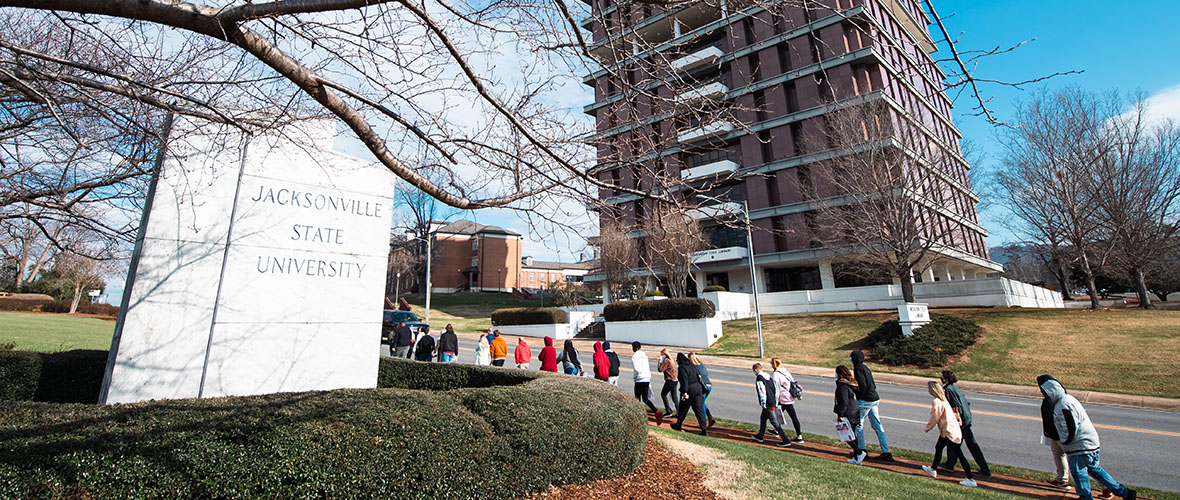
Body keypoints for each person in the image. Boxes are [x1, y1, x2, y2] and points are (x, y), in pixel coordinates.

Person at [1040, 375, 1137, 500]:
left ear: (1049, 392)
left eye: (1044, 393)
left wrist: (1065, 442)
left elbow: (1070, 428)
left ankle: (1085, 497)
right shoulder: (1069, 399)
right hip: (1091, 442)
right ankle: (1125, 493)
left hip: (1080, 445)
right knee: (1095, 470)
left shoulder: (1062, 405)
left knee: (1079, 474)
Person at [922, 381, 977, 487]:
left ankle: (970, 479)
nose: (928, 390)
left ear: (933, 390)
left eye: (929, 388)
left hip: (949, 432)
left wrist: (927, 428)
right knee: (938, 447)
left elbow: (935, 416)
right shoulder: (944, 399)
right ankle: (933, 469)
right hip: (949, 430)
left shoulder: (937, 401)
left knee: (959, 454)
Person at [940, 370, 990, 476]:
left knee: (953, 441)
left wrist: (956, 423)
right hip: (967, 419)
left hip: (962, 421)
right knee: (971, 444)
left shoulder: (949, 390)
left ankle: (950, 465)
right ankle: (985, 469)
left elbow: (955, 407)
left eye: (942, 378)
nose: (941, 380)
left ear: (946, 379)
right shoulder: (955, 388)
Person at [850, 350, 893, 461]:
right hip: (874, 398)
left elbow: (862, 385)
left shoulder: (858, 369)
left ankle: (861, 450)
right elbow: (872, 384)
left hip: (865, 400)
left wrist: (857, 393)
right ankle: (886, 451)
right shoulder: (866, 368)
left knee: (858, 424)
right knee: (877, 425)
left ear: (854, 359)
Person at [1038, 374, 1073, 491]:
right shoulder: (1048, 399)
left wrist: (1065, 437)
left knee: (1082, 462)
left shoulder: (1061, 401)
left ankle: (1106, 487)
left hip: (1063, 436)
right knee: (1058, 456)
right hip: (1053, 435)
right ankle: (1062, 480)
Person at [750, 363, 790, 447]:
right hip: (772, 401)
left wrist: (763, 402)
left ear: (756, 370)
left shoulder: (760, 378)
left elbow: (762, 391)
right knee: (763, 418)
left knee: (774, 422)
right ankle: (760, 435)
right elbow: (775, 389)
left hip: (768, 403)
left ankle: (785, 439)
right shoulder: (768, 377)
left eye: (754, 371)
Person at [670, 353, 707, 436]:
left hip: (690, 389)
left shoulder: (682, 367)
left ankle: (678, 425)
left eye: (677, 360)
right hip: (698, 388)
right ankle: (704, 429)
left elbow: (684, 380)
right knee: (699, 409)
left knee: (683, 408)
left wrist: (684, 392)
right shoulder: (691, 365)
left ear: (679, 360)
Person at [834, 365, 864, 465]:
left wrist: (840, 415)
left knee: (846, 435)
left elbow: (844, 401)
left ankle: (859, 452)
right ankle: (856, 458)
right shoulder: (851, 383)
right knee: (852, 434)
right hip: (855, 410)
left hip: (849, 411)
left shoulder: (842, 385)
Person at [770, 357, 804, 443]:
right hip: (789, 396)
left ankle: (799, 436)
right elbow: (793, 381)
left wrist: (775, 399)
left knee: (784, 415)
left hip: (783, 397)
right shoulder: (784, 371)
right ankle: (776, 430)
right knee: (781, 414)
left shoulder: (775, 375)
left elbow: (776, 388)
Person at [631, 342, 663, 425]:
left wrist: (635, 377)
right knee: (645, 399)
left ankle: (638, 417)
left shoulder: (635, 356)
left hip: (639, 379)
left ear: (634, 348)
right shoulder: (644, 356)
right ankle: (656, 412)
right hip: (646, 378)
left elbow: (637, 369)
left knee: (637, 399)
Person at [688, 352, 715, 428]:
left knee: (700, 405)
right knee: (702, 403)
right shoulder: (702, 365)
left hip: (703, 387)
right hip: (709, 385)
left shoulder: (693, 367)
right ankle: (709, 417)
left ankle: (704, 422)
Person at [657, 349, 678, 415]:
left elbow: (660, 369)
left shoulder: (666, 361)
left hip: (670, 380)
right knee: (674, 396)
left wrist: (659, 362)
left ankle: (668, 411)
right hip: (675, 380)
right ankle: (679, 411)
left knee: (663, 394)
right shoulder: (671, 361)